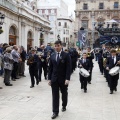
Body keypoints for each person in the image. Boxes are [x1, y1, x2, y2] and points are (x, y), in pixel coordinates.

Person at [48, 40, 71, 119]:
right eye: (55, 46)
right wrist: (49, 79)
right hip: (54, 79)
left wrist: (67, 78)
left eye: (58, 46)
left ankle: (64, 105)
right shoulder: (52, 55)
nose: (56, 47)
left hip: (63, 79)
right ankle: (55, 112)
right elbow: (50, 68)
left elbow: (68, 68)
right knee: (55, 96)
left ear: (61, 46)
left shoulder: (66, 55)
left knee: (64, 93)